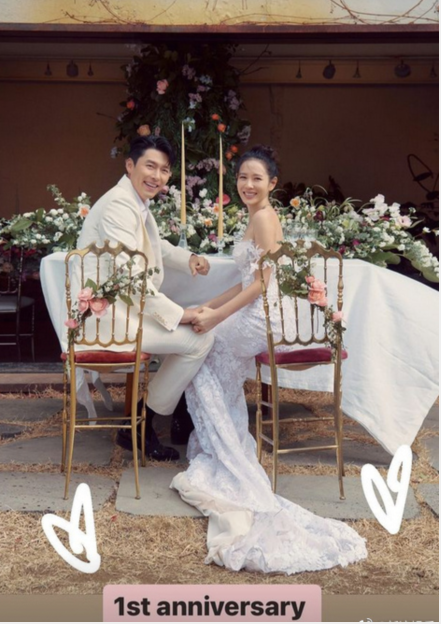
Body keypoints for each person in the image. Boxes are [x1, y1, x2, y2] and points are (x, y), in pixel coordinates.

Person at [170, 145, 367, 574]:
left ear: (272, 183)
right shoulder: (256, 215)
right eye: (242, 177)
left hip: (262, 317)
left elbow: (263, 283)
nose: (247, 184)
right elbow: (246, 278)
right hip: (253, 310)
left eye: (256, 178)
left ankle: (228, 455)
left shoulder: (263, 217)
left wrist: (216, 317)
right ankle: (222, 446)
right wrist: (209, 306)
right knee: (204, 352)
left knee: (200, 351)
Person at [75, 135, 213, 461]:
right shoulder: (119, 204)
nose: (157, 176)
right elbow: (129, 276)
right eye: (150, 166)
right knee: (200, 339)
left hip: (121, 311)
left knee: (186, 335)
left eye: (164, 170)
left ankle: (178, 418)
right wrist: (180, 314)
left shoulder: (132, 200)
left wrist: (189, 258)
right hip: (106, 320)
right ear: (130, 165)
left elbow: (154, 245)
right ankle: (140, 424)